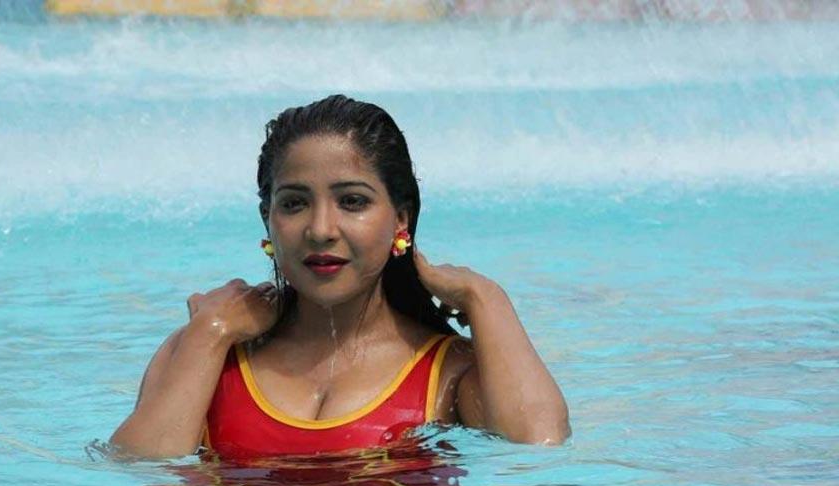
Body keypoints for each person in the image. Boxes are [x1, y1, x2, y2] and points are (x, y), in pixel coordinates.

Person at [112, 94, 569, 461]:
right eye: (294, 203)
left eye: (352, 201)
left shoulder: (450, 372)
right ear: (267, 219)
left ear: (400, 219)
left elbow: (539, 446)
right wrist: (209, 334)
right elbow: (140, 476)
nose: (320, 230)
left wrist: (486, 298)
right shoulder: (206, 351)